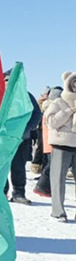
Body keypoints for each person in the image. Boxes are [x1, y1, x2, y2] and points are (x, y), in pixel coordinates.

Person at [3, 68, 42, 204]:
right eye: (6, 80)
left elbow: (37, 114)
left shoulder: (26, 96)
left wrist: (27, 129)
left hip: (21, 138)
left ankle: (19, 193)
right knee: (0, 167)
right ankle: (2, 192)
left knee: (18, 167)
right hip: (1, 139)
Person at [44, 72, 76, 222]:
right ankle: (58, 212)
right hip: (61, 145)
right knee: (58, 181)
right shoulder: (58, 102)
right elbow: (52, 122)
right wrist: (70, 111)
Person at [34, 86, 62, 198]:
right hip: (53, 141)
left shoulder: (47, 108)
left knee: (52, 164)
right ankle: (42, 186)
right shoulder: (53, 108)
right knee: (52, 165)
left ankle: (45, 186)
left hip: (49, 141)